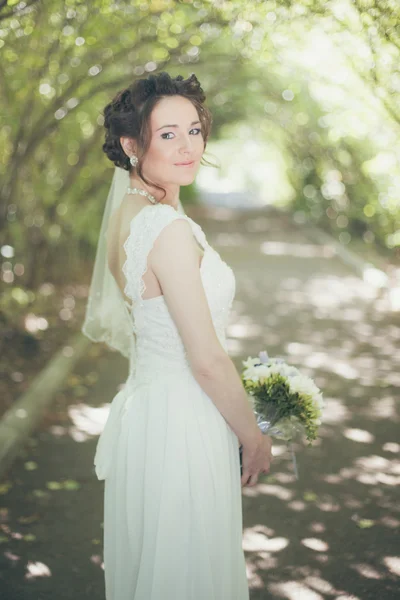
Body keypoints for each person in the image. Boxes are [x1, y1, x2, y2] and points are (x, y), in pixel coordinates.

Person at [82, 72, 272, 600]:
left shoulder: (132, 215)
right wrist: (253, 440)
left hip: (149, 414)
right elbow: (206, 358)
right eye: (168, 134)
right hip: (183, 421)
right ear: (131, 145)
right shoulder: (166, 229)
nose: (188, 145)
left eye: (194, 129)